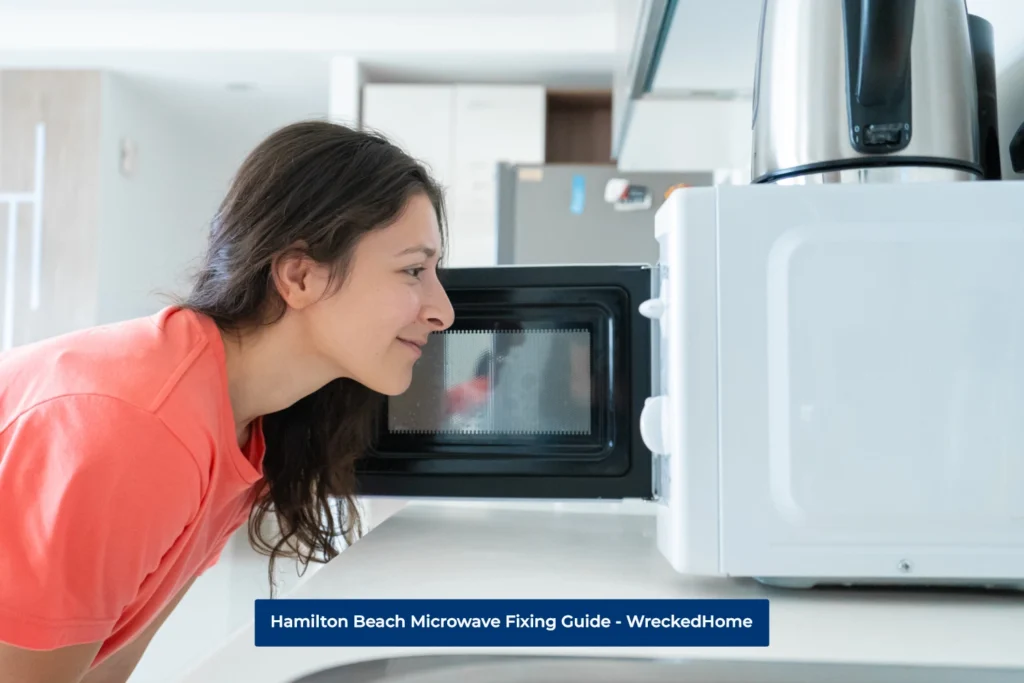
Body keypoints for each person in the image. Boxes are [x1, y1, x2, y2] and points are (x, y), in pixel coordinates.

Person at [0, 120, 455, 683]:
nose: (443, 311)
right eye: (414, 269)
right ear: (300, 275)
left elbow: (99, 667)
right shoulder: (142, 433)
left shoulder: (243, 427)